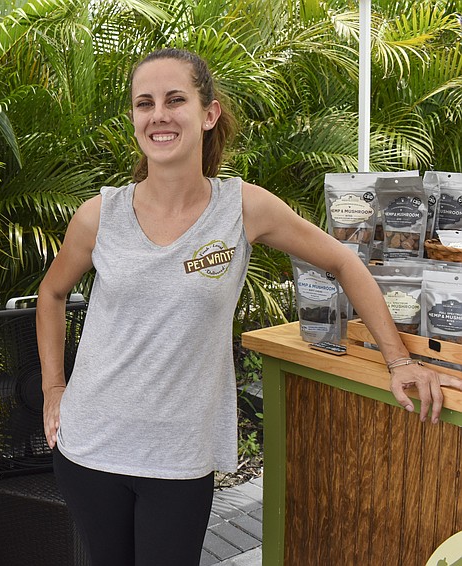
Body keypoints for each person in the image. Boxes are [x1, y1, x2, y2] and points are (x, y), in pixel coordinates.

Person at [35, 47, 462, 566]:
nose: (159, 115)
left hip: (180, 455)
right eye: (145, 103)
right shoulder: (100, 215)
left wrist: (399, 360)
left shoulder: (242, 208)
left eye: (175, 100)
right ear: (134, 118)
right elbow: (51, 294)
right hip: (90, 446)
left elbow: (344, 262)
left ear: (208, 113)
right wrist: (53, 388)